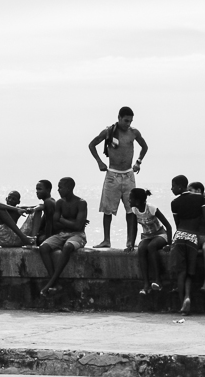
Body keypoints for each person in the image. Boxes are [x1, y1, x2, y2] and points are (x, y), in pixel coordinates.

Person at [88, 107, 148, 249]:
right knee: (107, 210)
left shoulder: (134, 132)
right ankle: (106, 240)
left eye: (130, 121)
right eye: (126, 120)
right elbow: (92, 144)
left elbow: (144, 147)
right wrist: (99, 162)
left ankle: (129, 241)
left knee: (131, 210)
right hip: (112, 175)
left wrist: (138, 162)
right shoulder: (109, 131)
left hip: (128, 175)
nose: (128, 123)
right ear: (119, 118)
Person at [170, 175, 205, 315]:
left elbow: (177, 224)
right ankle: (188, 297)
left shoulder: (174, 202)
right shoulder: (199, 199)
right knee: (190, 272)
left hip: (179, 236)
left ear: (179, 187)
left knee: (180, 272)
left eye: (172, 186)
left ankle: (182, 304)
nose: (171, 189)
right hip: (192, 237)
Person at [39, 177, 87, 297]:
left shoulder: (81, 203)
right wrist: (70, 222)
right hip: (62, 234)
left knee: (68, 247)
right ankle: (54, 282)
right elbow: (55, 223)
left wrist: (61, 219)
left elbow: (78, 226)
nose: (58, 190)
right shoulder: (60, 203)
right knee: (43, 247)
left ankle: (51, 283)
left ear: (69, 188)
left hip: (78, 235)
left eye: (61, 187)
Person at [126, 188, 172, 294]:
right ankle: (146, 284)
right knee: (141, 249)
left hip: (160, 235)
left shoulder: (151, 209)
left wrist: (169, 244)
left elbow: (168, 226)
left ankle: (158, 280)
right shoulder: (134, 210)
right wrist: (131, 245)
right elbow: (134, 228)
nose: (129, 201)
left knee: (152, 246)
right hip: (147, 236)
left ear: (137, 201)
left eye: (130, 199)